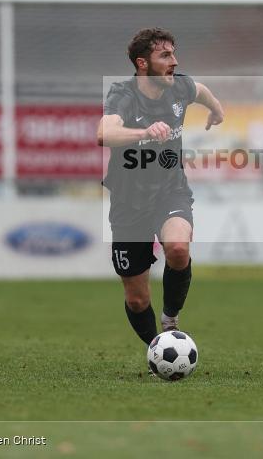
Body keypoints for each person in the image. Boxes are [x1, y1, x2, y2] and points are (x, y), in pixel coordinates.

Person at [98, 28, 224, 346]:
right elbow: (104, 134)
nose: (174, 62)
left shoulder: (178, 86)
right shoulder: (123, 94)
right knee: (138, 299)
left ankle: (170, 322)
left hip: (170, 189)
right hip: (129, 203)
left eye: (174, 53)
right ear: (142, 64)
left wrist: (217, 109)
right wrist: (142, 133)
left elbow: (200, 89)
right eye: (165, 56)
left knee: (179, 248)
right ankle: (157, 347)